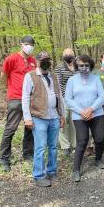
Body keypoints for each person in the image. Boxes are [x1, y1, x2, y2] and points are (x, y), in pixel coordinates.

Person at [22, 51, 65, 187]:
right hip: (39, 117)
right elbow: (25, 98)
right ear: (37, 61)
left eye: (48, 59)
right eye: (43, 60)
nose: (45, 62)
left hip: (54, 116)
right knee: (40, 147)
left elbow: (60, 97)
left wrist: (62, 115)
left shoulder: (54, 76)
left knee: (53, 147)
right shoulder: (30, 76)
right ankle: (39, 175)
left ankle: (51, 171)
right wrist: (27, 118)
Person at [65, 54, 104, 182]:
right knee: (82, 141)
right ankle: (76, 169)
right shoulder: (72, 80)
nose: (84, 67)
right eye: (81, 65)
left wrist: (91, 109)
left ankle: (98, 159)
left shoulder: (96, 79)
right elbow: (68, 98)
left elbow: (102, 97)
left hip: (96, 113)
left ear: (91, 66)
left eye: (86, 65)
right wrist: (81, 111)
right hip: (79, 115)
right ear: (77, 66)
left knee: (99, 138)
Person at [0, 35, 36, 172]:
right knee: (11, 128)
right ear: (21, 44)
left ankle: (27, 154)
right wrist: (9, 91)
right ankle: (4, 157)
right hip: (15, 98)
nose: (29, 47)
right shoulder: (11, 59)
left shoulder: (33, 61)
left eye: (32, 45)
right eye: (27, 44)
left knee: (29, 127)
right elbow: (4, 76)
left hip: (30, 99)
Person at [54, 48, 76, 156]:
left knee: (74, 122)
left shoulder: (77, 66)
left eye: (70, 54)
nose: (68, 55)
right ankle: (65, 145)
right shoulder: (59, 67)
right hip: (64, 98)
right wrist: (63, 97)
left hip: (76, 99)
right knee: (64, 121)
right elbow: (57, 84)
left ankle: (74, 144)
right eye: (66, 54)